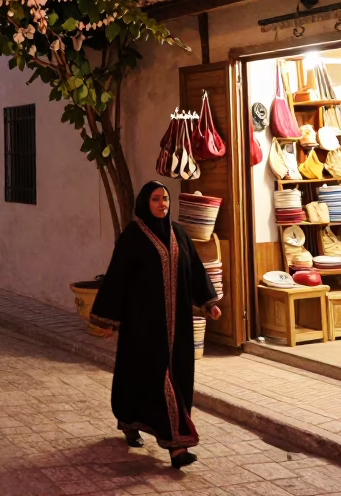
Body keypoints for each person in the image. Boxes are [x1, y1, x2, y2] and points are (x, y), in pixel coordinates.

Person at [89, 181, 221, 469]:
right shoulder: (133, 237)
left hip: (179, 330)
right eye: (155, 199)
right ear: (144, 204)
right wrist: (110, 320)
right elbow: (117, 279)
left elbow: (195, 269)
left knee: (173, 380)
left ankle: (134, 422)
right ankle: (176, 447)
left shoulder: (179, 233)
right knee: (156, 381)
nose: (162, 204)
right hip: (144, 329)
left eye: (165, 199)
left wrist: (209, 302)